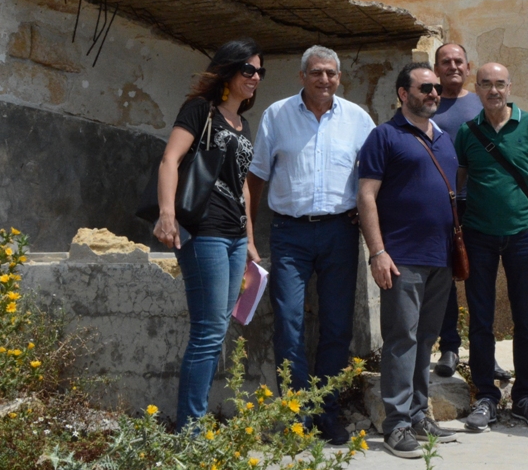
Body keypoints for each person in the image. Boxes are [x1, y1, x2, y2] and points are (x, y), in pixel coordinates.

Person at [248, 45, 375, 444]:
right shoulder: (277, 115)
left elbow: (374, 177)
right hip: (290, 232)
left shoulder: (358, 119)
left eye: (331, 74)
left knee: (337, 327)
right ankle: (298, 412)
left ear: (340, 77)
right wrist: (248, 234)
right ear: (302, 76)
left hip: (340, 232)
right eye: (317, 73)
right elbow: (255, 178)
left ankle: (328, 410)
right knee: (289, 323)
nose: (325, 80)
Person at [153, 38, 265, 431]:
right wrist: (167, 214)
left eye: (259, 71)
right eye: (248, 69)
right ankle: (190, 429)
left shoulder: (243, 123)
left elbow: (243, 187)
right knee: (208, 330)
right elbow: (171, 159)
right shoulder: (200, 110)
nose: (255, 77)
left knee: (218, 328)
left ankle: (194, 422)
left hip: (234, 237)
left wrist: (250, 239)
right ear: (229, 70)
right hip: (203, 231)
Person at [357, 62, 461, 458]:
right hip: (401, 258)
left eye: (436, 88)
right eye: (425, 88)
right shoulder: (384, 136)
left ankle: (418, 415)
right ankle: (396, 424)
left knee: (425, 340)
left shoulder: (445, 139)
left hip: (441, 258)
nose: (434, 93)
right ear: (403, 94)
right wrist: (378, 252)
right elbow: (366, 196)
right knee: (402, 340)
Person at [455, 62, 528, 431]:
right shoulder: (467, 132)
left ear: (510, 87)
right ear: (476, 88)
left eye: (500, 84)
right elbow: (457, 183)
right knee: (481, 320)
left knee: (525, 319)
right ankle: (486, 396)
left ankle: (525, 396)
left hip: (523, 235)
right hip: (478, 235)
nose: (493, 90)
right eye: (486, 84)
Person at [429, 43, 482, 379]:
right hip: (439, 202)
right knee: (445, 278)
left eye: (457, 61)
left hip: (477, 202)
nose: (452, 66)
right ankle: (449, 347)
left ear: (468, 66)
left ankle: (483, 352)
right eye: (445, 61)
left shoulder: (481, 102)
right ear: (436, 68)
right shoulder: (428, 103)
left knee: (480, 277)